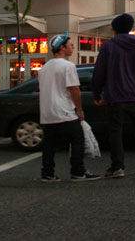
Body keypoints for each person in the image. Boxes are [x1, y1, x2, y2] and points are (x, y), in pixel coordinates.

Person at [92, 13, 135, 178]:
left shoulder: (109, 46)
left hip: (116, 96)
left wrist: (97, 93)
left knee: (115, 131)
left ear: (115, 29)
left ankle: (117, 167)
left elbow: (100, 71)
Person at [38, 32, 100, 183]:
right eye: (70, 45)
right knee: (77, 138)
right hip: (64, 110)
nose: (72, 47)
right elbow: (74, 89)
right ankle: (77, 171)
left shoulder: (44, 68)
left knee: (49, 144)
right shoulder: (68, 66)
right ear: (62, 48)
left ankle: (48, 173)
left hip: (47, 113)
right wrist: (79, 109)